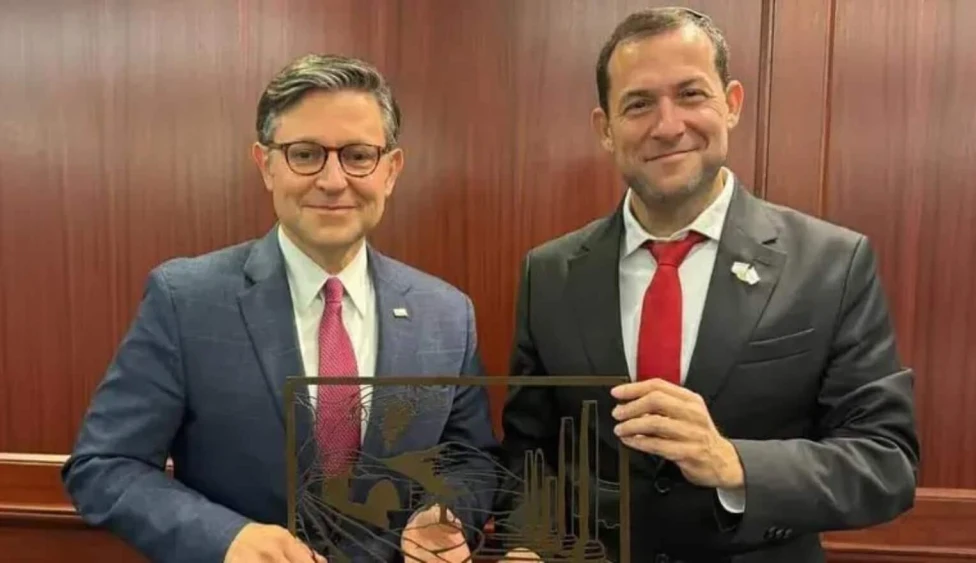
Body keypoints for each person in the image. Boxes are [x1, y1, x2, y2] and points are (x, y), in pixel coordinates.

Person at [497, 7, 919, 563]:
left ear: (732, 103)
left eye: (691, 94)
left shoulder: (831, 264)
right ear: (605, 128)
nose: (668, 125)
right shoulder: (549, 273)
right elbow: (532, 458)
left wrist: (734, 463)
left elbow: (886, 463)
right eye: (639, 103)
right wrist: (528, 541)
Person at [63, 53, 499, 563]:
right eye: (305, 153)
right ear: (265, 164)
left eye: (358, 155)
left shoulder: (447, 314)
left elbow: (472, 461)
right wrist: (225, 539)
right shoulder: (185, 301)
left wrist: (446, 513)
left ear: (391, 170)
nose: (334, 180)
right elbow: (103, 465)